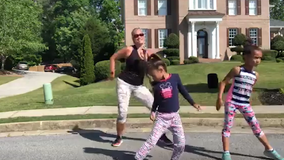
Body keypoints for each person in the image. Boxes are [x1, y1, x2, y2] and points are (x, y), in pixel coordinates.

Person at [216, 44, 284, 160]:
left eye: (260, 58)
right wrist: (219, 98)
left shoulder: (255, 75)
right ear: (246, 57)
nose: (258, 60)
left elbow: (249, 88)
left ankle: (269, 149)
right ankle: (226, 153)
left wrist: (249, 99)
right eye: (255, 57)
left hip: (245, 104)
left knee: (256, 126)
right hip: (232, 102)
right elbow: (223, 82)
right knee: (227, 126)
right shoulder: (237, 70)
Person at [109, 28, 172, 147]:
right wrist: (112, 72)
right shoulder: (129, 50)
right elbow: (113, 57)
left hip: (138, 86)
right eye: (135, 35)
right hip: (124, 83)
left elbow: (153, 70)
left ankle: (161, 136)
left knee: (157, 109)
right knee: (123, 113)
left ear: (144, 36)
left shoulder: (147, 54)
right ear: (133, 38)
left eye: (141, 34)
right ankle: (119, 138)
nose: (139, 37)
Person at [135, 54, 202, 160]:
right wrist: (153, 111)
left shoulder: (175, 78)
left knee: (181, 144)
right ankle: (138, 157)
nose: (152, 78)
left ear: (161, 70)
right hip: (162, 118)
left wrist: (193, 103)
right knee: (152, 141)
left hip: (175, 117)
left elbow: (184, 92)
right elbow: (156, 100)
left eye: (153, 75)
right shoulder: (156, 86)